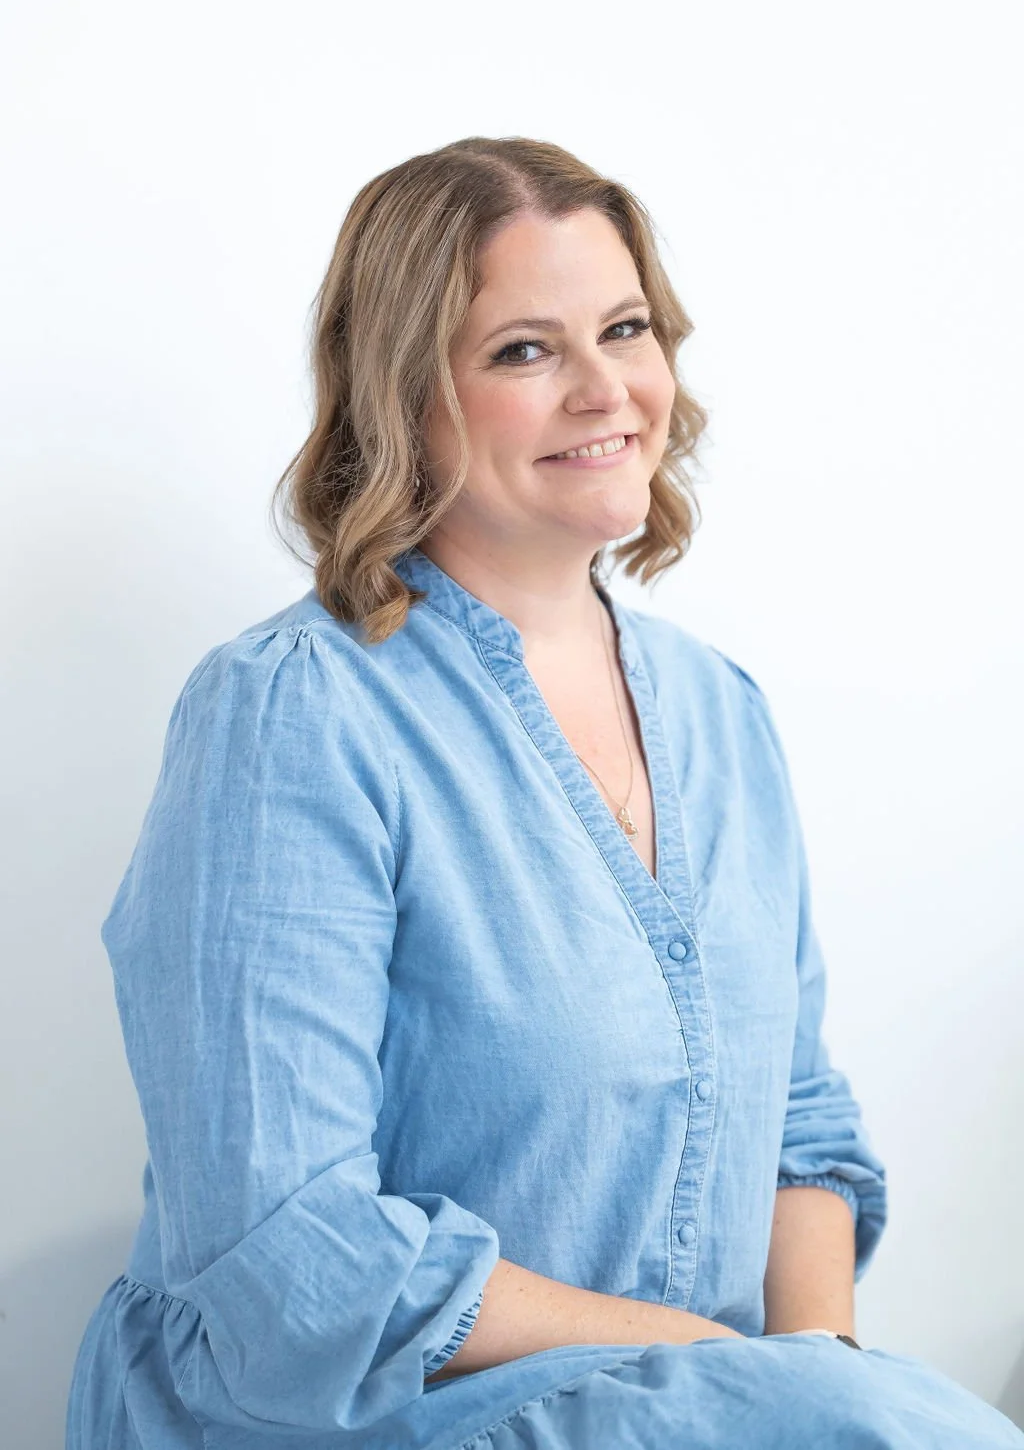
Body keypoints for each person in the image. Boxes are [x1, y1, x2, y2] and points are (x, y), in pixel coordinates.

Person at [65, 136, 1023, 1449]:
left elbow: (800, 1124)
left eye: (625, 329)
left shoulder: (720, 711)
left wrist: (814, 1377)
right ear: (406, 397)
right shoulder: (296, 716)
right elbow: (291, 1255)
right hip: (368, 1416)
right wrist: (742, 1372)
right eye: (525, 350)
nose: (605, 390)